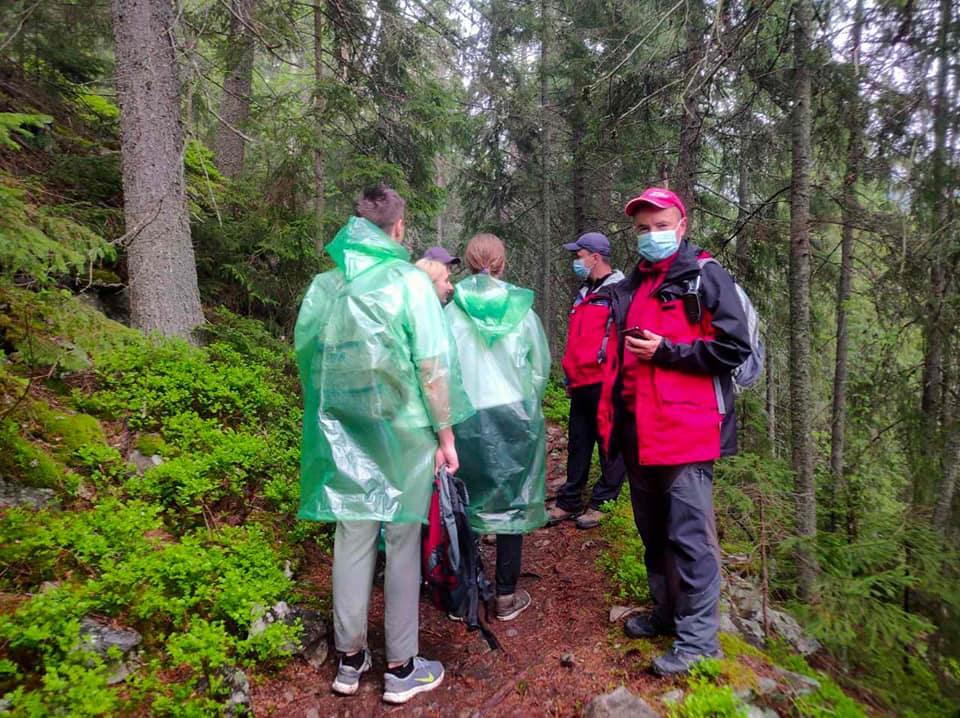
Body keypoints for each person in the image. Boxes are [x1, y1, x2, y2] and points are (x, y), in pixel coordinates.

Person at [295, 187, 474, 704]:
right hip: (404, 431)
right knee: (401, 540)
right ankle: (401, 666)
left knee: (351, 535)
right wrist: (446, 435)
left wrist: (334, 418)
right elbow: (433, 364)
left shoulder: (327, 285)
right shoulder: (410, 284)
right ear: (398, 229)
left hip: (346, 428)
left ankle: (349, 661)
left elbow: (309, 356)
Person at [596, 187, 752, 676]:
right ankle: (667, 613)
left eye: (661, 225)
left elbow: (733, 348)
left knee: (690, 538)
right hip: (639, 431)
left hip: (688, 433)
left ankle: (700, 642)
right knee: (654, 534)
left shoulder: (705, 277)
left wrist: (668, 352)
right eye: (643, 228)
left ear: (681, 226)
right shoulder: (631, 287)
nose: (652, 235)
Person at [444, 233, 550, 621]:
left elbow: (440, 366)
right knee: (512, 501)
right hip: (512, 413)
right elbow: (538, 368)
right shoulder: (521, 310)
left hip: (465, 414)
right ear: (502, 263)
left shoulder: (451, 311)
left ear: (469, 264)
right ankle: (505, 595)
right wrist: (528, 406)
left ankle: (465, 593)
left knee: (463, 502)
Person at [547, 232, 627, 530]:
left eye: (578, 256)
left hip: (607, 381)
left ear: (595, 257)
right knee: (579, 443)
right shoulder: (584, 293)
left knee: (610, 442)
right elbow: (577, 339)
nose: (575, 261)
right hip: (580, 381)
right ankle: (569, 501)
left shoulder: (620, 291)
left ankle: (602, 502)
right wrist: (569, 374)